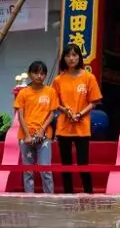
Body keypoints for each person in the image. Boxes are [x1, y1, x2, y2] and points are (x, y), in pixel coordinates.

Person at [53, 43, 102, 194]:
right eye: (68, 55)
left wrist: (80, 114)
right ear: (64, 59)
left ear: (79, 57)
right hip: (64, 127)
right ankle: (68, 196)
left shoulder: (89, 77)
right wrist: (65, 110)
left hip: (82, 126)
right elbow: (54, 103)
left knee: (82, 163)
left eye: (74, 55)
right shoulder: (58, 80)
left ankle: (89, 194)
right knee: (66, 165)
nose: (71, 58)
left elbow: (94, 102)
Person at [14, 61, 58, 193]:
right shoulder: (23, 93)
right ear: (29, 74)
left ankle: (49, 201)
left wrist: (42, 130)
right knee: (28, 171)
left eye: (43, 73)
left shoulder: (50, 91)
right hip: (25, 136)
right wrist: (27, 135)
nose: (39, 76)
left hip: (44, 137)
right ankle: (29, 199)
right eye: (36, 73)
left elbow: (52, 113)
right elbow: (20, 115)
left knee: (46, 171)